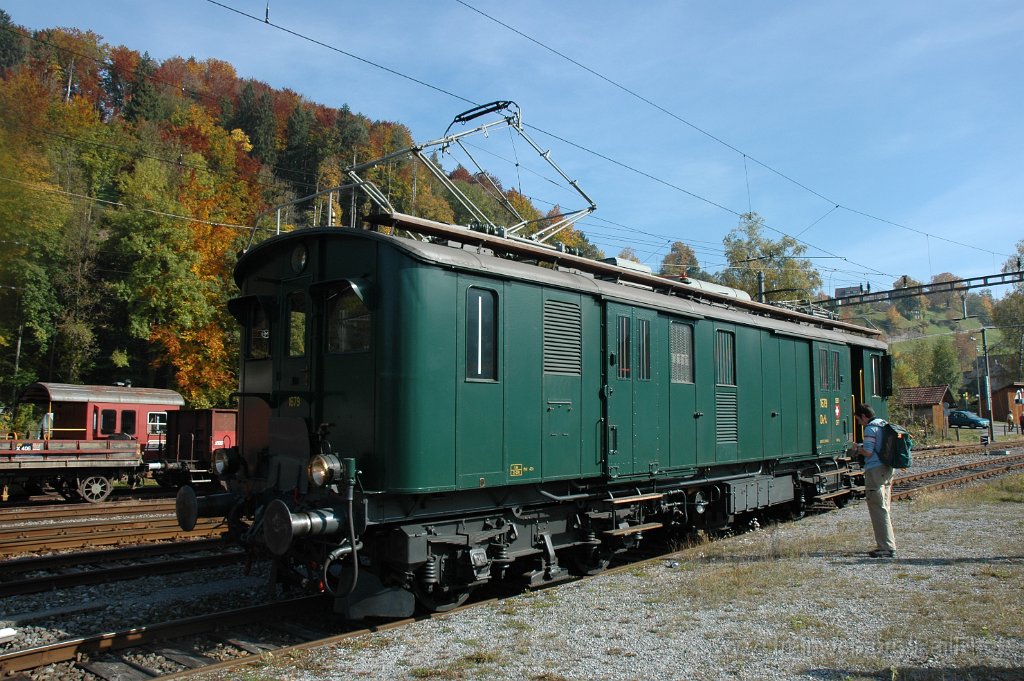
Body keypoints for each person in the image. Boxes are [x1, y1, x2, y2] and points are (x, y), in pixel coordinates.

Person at [848, 403, 896, 558]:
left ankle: (886, 547)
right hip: (888, 469)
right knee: (884, 507)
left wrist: (857, 448)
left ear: (864, 416)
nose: (859, 423)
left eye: (858, 420)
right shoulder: (883, 424)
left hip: (875, 470)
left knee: (877, 508)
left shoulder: (870, 428)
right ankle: (887, 544)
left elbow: (868, 452)